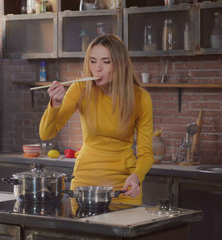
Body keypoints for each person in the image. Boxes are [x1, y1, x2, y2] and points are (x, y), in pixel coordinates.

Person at [39, 34, 153, 205]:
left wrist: (137, 177)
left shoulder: (140, 98)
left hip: (123, 187)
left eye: (106, 62)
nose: (97, 68)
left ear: (122, 65)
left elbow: (146, 154)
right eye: (93, 61)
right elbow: (46, 134)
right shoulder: (80, 88)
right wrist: (54, 104)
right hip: (84, 186)